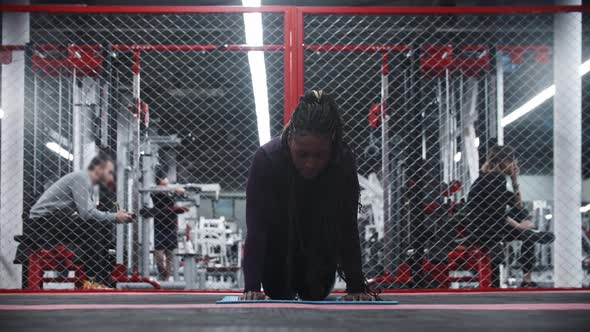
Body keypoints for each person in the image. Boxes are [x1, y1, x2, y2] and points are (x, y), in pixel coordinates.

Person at [242, 90, 375, 301]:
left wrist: (356, 286)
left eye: (320, 155)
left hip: (319, 242)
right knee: (278, 290)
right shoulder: (267, 159)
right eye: (302, 154)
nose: (310, 164)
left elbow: (347, 225)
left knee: (315, 293)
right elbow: (258, 227)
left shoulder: (342, 160)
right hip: (278, 243)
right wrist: (251, 287)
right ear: (290, 139)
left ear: (331, 146)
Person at [25, 152, 134, 289]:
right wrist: (114, 216)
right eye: (110, 172)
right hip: (42, 222)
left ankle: (100, 280)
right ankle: (92, 280)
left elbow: (87, 213)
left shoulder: (88, 184)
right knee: (93, 226)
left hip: (53, 219)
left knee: (100, 226)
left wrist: (111, 217)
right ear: (99, 168)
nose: (111, 176)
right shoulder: (82, 178)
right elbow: (87, 214)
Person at [464, 145, 554, 287]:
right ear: (504, 161)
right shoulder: (494, 180)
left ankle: (530, 233)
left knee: (521, 214)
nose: (515, 165)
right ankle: (527, 278)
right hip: (486, 228)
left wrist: (515, 181)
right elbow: (496, 213)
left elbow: (516, 205)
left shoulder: (491, 178)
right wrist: (519, 226)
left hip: (486, 225)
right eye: (512, 161)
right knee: (528, 235)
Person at [150, 171, 186, 281]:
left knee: (170, 255)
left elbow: (182, 192)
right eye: (164, 179)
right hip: (159, 226)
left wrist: (175, 189)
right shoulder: (155, 192)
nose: (167, 181)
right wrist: (172, 189)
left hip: (171, 226)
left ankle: (166, 278)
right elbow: (155, 193)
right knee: (159, 256)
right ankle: (163, 275)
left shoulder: (171, 192)